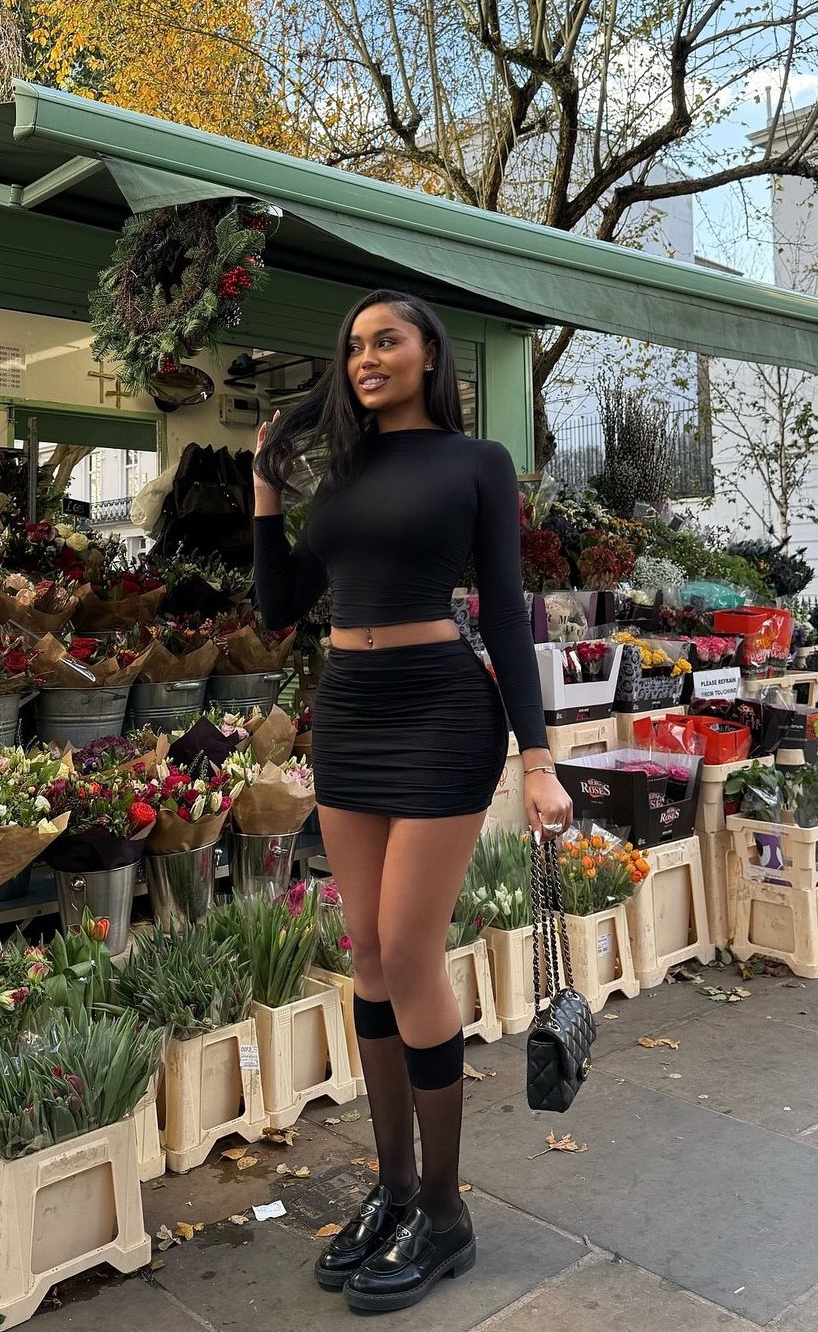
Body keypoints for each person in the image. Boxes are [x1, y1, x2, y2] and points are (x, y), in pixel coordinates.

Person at [253, 288, 572, 1312]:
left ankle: (443, 1211)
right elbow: (276, 607)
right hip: (348, 707)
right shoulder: (339, 472)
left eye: (385, 340)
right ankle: (391, 1193)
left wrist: (537, 756)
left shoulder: (475, 464)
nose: (365, 357)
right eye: (351, 345)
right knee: (363, 952)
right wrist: (264, 491)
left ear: (429, 354)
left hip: (440, 709)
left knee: (405, 946)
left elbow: (507, 617)